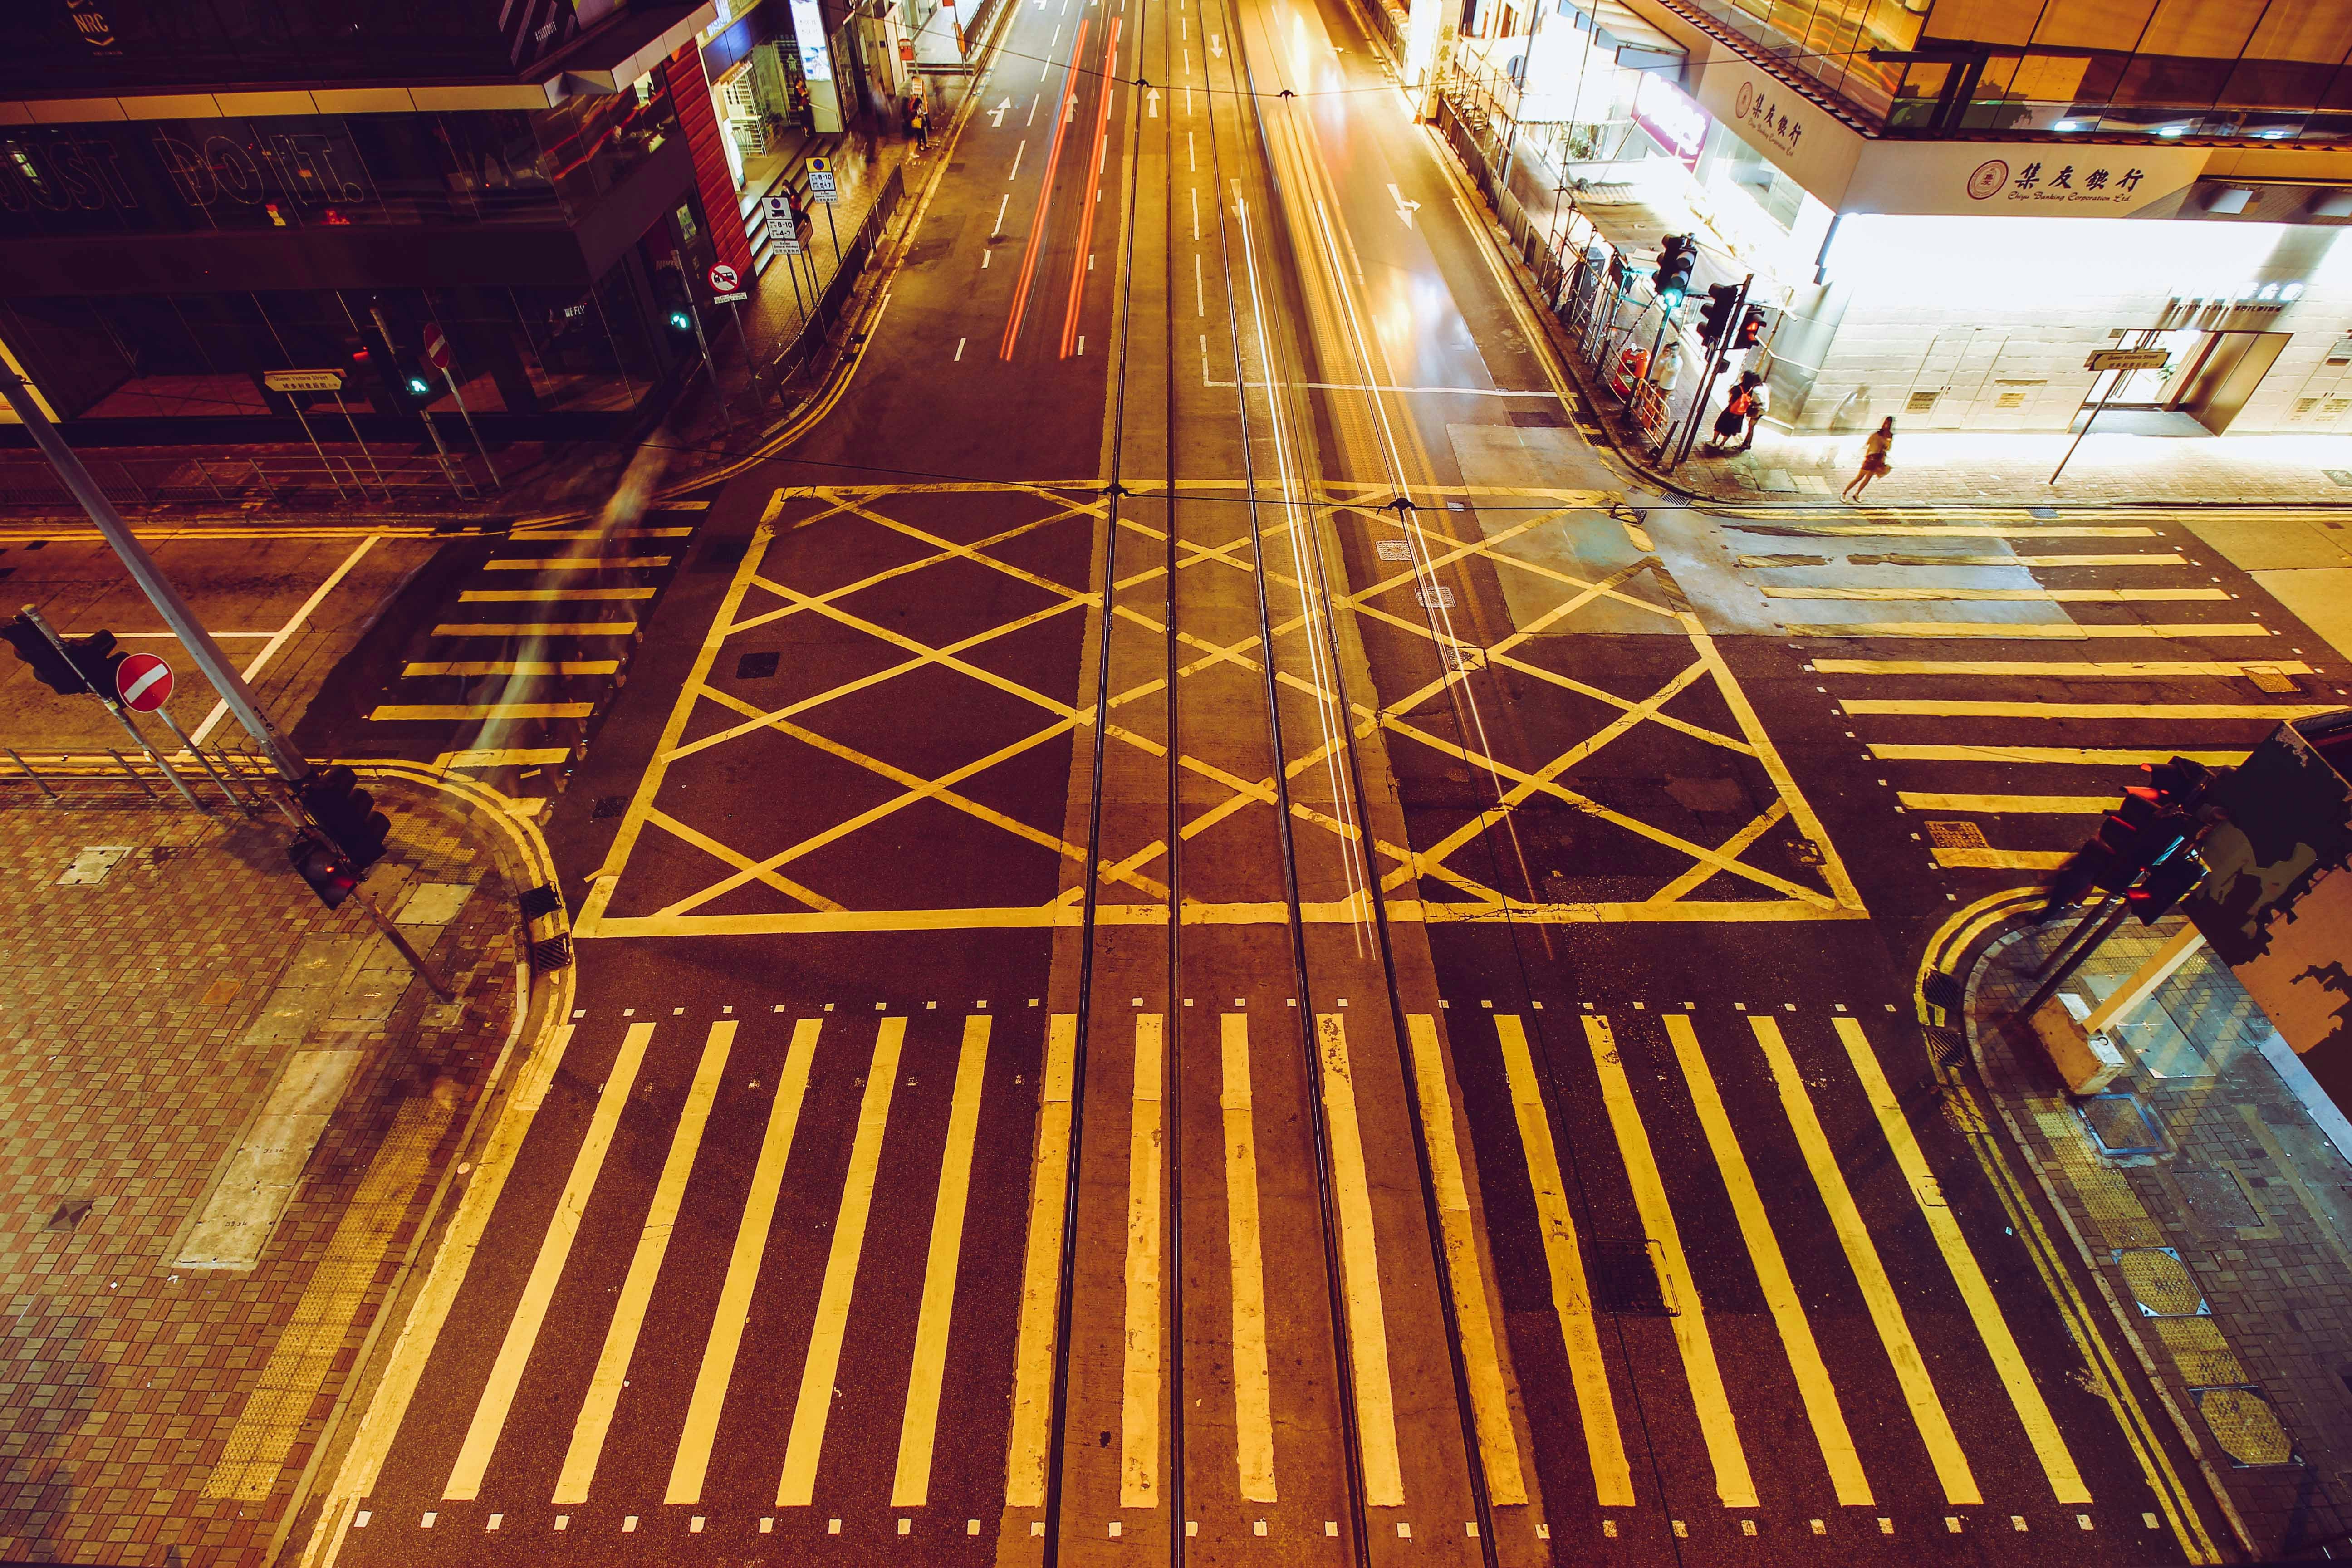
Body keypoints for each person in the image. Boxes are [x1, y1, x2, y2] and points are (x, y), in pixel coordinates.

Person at [1843, 416, 1895, 501]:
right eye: (1886, 422)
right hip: (1871, 459)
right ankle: (1844, 493)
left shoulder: (1890, 435)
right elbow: (1868, 445)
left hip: (1879, 460)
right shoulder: (1877, 434)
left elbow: (1888, 448)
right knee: (1859, 478)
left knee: (1868, 479)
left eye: (1889, 423)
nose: (1887, 424)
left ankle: (1857, 494)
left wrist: (1886, 444)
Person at [1702, 372, 1755, 455]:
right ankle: (1722, 444)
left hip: (1730, 411)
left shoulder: (1737, 388)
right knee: (1730, 429)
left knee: (1719, 425)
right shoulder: (1750, 390)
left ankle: (1714, 442)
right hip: (1740, 414)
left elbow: (1730, 400)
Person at [1733, 374, 1769, 453]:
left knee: (1751, 427)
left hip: (1759, 410)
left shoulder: (1756, 390)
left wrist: (1751, 404)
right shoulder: (1764, 386)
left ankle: (1746, 444)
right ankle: (1747, 444)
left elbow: (1759, 402)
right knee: (1751, 426)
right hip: (1764, 409)